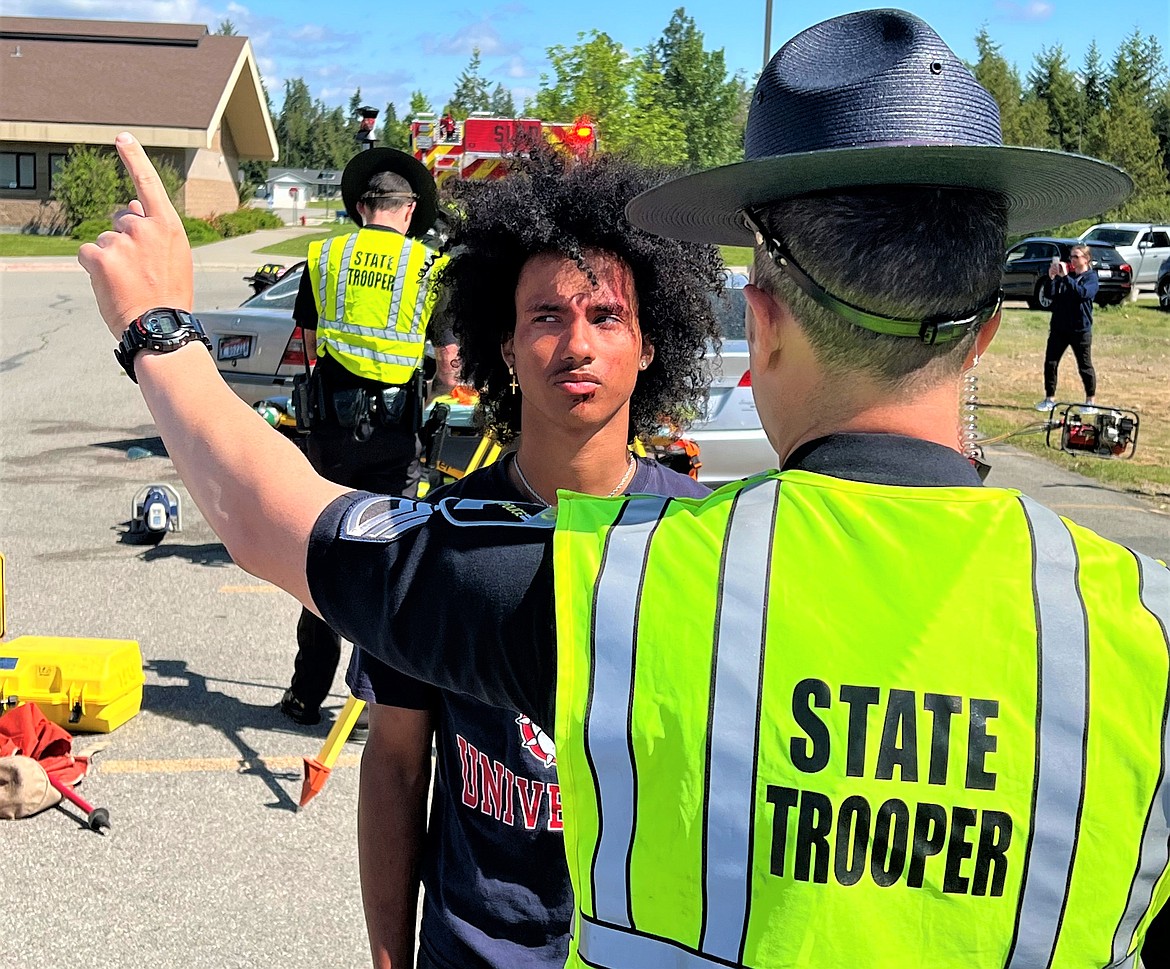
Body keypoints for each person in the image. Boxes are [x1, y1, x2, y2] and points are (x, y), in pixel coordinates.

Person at [79, 10, 1169, 967]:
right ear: (986, 332)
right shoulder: (1145, 636)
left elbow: (280, 522)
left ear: (763, 325)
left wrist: (160, 330)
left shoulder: (639, 593)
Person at [347, 153, 719, 969]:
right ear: (505, 346)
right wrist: (387, 957)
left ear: (652, 342)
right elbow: (397, 763)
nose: (576, 343)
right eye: (546, 315)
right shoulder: (434, 537)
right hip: (469, 949)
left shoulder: (706, 539)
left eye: (606, 315)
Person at [281, 147, 448, 726]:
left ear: (359, 208)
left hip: (330, 432)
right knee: (386, 559)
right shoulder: (427, 265)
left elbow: (305, 335)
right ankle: (378, 705)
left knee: (324, 553)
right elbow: (449, 362)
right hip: (395, 439)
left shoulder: (325, 255)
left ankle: (306, 696)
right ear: (407, 212)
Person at [1035, 244, 1099, 411]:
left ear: (1086, 259)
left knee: (1084, 365)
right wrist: (1051, 278)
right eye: (1071, 256)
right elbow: (1050, 295)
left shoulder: (1091, 278)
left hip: (1080, 329)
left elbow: (1082, 294)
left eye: (1076, 256)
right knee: (1051, 363)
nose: (1072, 260)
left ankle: (1090, 401)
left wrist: (1065, 278)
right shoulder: (1066, 277)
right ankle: (1050, 398)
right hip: (1059, 328)